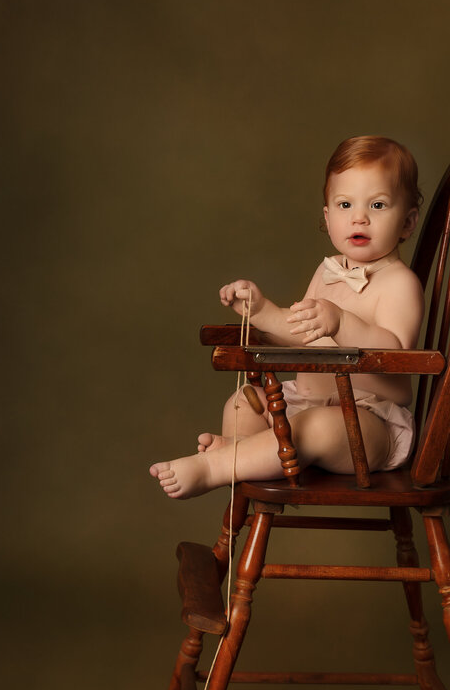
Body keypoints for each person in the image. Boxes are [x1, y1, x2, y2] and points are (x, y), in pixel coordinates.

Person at [150, 135, 425, 499]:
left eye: (377, 204)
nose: (359, 217)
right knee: (244, 400)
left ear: (407, 223)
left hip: (367, 424)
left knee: (316, 427)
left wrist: (343, 322)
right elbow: (299, 334)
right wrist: (262, 312)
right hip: (302, 406)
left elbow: (395, 355)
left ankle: (217, 465)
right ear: (327, 218)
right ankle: (244, 451)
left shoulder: (399, 284)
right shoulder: (327, 273)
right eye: (345, 204)